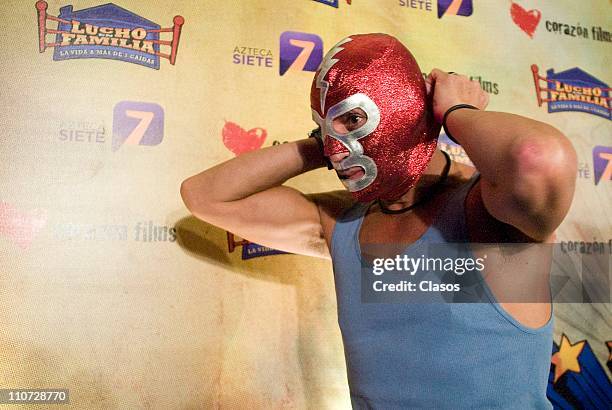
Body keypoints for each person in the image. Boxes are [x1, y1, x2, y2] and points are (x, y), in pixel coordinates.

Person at [180, 33, 577, 409]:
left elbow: (537, 159)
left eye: (353, 119)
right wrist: (322, 143)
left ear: (406, 108)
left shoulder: (492, 214)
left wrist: (455, 113)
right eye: (324, 128)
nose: (338, 150)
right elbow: (205, 196)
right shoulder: (340, 224)